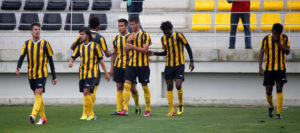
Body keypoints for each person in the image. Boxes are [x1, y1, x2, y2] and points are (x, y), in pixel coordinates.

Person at [149, 21, 194, 116]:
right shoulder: (163, 39)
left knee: (178, 84)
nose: (166, 34)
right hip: (169, 65)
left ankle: (180, 105)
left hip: (179, 64)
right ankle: (172, 111)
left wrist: (191, 60)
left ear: (171, 29)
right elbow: (166, 52)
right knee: (169, 86)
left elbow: (187, 47)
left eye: (167, 32)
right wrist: (154, 53)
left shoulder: (179, 36)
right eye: (164, 32)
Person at [16, 22, 57, 125]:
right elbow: (22, 57)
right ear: (31, 31)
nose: (37, 31)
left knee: (38, 93)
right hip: (31, 74)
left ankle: (33, 115)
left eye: (39, 29)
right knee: (38, 96)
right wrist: (18, 67)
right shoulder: (27, 44)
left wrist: (54, 76)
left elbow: (51, 60)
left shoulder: (45, 44)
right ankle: (43, 118)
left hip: (42, 74)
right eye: (35, 29)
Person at [71, 17, 110, 119]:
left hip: (87, 71)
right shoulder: (100, 38)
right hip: (94, 70)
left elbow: (72, 46)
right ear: (98, 26)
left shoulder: (81, 37)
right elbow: (106, 54)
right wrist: (114, 52)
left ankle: (86, 113)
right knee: (91, 91)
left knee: (87, 91)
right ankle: (89, 113)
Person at [120, 16, 151, 117]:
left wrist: (132, 46)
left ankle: (148, 110)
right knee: (127, 85)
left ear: (138, 24)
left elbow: (145, 50)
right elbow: (126, 51)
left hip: (143, 65)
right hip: (131, 64)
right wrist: (127, 41)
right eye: (130, 24)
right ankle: (125, 109)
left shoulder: (145, 35)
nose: (131, 26)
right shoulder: (130, 36)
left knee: (145, 88)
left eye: (132, 24)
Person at [110, 18, 141, 116]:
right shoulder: (115, 39)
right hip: (118, 65)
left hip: (130, 66)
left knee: (132, 89)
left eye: (121, 26)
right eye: (118, 26)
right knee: (119, 87)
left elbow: (137, 50)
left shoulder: (132, 37)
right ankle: (121, 109)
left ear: (126, 26)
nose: (120, 28)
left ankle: (136, 105)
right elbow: (114, 54)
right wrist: (112, 67)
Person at [259, 23, 290, 119]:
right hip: (269, 68)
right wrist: (260, 67)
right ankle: (271, 106)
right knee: (268, 90)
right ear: (272, 31)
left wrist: (279, 43)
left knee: (279, 88)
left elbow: (287, 52)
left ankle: (279, 113)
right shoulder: (265, 39)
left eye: (278, 34)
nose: (276, 36)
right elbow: (261, 53)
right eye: (275, 33)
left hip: (280, 68)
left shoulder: (284, 38)